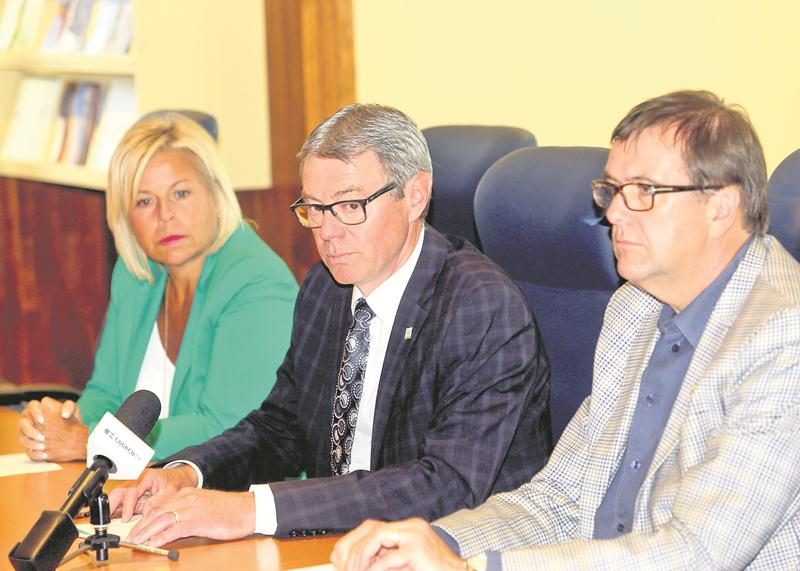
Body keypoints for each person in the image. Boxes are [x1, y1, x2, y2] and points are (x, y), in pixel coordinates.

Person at [330, 90, 800, 571]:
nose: (613, 213)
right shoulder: (633, 308)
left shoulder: (783, 336)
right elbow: (560, 497)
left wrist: (476, 569)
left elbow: (697, 551)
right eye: (612, 191)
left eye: (643, 192)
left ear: (720, 205)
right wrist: (435, 540)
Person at [109, 103, 552, 547]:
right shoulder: (327, 287)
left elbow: (445, 483)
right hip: (331, 544)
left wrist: (254, 509)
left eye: (350, 205)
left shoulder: (480, 305)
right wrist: (190, 473)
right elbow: (282, 427)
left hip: (450, 550)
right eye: (314, 209)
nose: (327, 232)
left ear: (415, 195)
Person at [17, 112, 298, 462]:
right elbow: (106, 394)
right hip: (151, 488)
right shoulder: (138, 271)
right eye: (144, 201)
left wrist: (93, 442)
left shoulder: (255, 282)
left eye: (180, 193)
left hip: (238, 493)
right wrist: (68, 421)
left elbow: (228, 427)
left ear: (215, 193)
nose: (165, 215)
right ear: (124, 217)